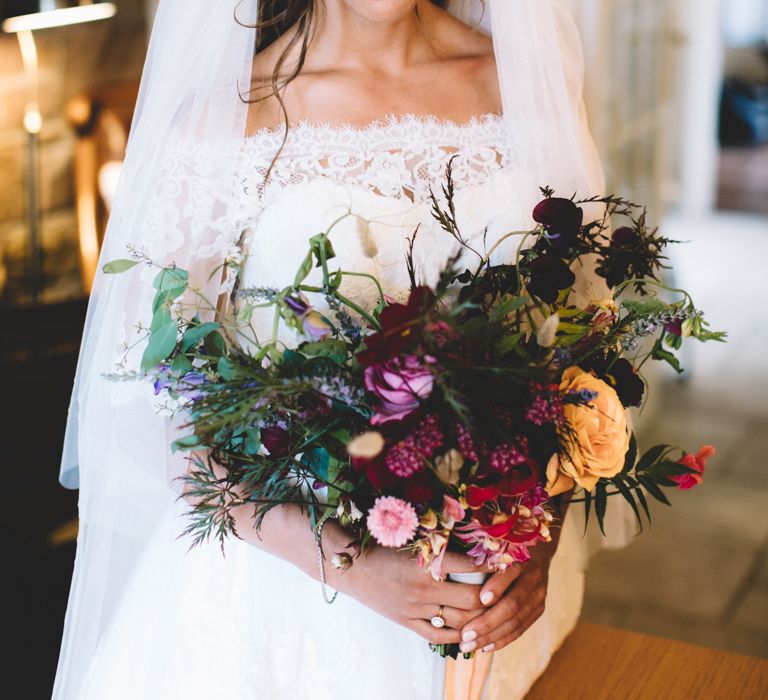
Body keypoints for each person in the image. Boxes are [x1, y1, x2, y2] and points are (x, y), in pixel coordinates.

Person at [55, 2, 628, 698]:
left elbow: (579, 349)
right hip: (287, 627)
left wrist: (542, 534)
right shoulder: (227, 120)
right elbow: (158, 414)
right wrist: (350, 565)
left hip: (499, 610)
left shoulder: (523, 80)